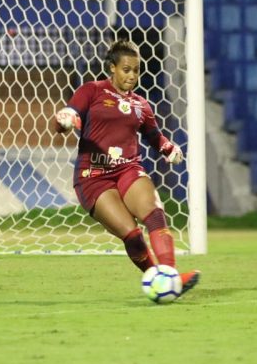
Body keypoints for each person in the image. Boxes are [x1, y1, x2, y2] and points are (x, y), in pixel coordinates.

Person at [53, 39, 200, 295]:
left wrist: (169, 149)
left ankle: (171, 277)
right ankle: (158, 279)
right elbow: (69, 115)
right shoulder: (92, 91)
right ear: (112, 68)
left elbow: (154, 137)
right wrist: (64, 121)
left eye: (136, 71)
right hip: (93, 176)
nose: (132, 76)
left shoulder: (141, 105)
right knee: (132, 235)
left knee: (154, 214)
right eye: (126, 69)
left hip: (128, 169)